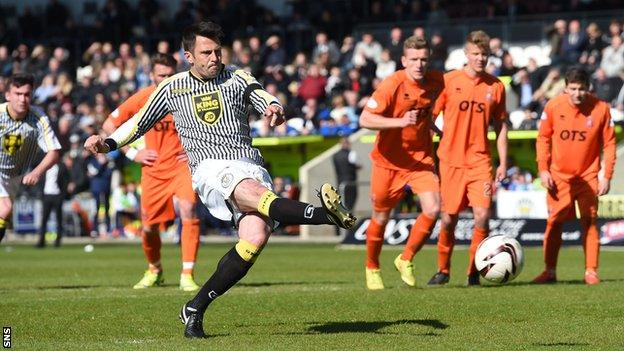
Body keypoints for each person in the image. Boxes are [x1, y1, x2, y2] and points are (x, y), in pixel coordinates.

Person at [84, 21, 355, 338]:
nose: (214, 57)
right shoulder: (172, 88)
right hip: (209, 168)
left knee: (254, 238)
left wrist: (275, 107)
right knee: (253, 194)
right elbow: (138, 123)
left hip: (249, 164)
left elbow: (261, 95)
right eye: (206, 52)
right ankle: (326, 215)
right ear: (189, 56)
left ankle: (195, 307)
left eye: (217, 51)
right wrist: (108, 144)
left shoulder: (237, 77)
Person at [102, 53, 202, 292]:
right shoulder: (144, 97)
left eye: (170, 75)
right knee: (148, 226)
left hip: (182, 167)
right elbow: (108, 125)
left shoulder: (189, 93)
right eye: (161, 75)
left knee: (188, 208)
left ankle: (187, 273)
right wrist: (131, 153)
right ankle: (154, 269)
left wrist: (196, 150)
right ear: (151, 75)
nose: (167, 79)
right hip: (153, 170)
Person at [359, 35, 444, 290]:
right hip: (388, 162)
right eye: (414, 59)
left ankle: (405, 258)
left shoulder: (436, 80)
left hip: (420, 160)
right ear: (404, 60)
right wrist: (399, 122)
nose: (419, 64)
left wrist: (431, 125)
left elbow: (424, 109)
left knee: (432, 209)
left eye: (424, 59)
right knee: (381, 217)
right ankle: (372, 266)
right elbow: (365, 119)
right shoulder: (392, 84)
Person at [428, 31, 508, 286]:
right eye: (476, 54)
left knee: (482, 216)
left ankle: (474, 271)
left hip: (480, 162)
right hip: (451, 161)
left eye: (485, 54)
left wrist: (503, 162)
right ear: (466, 54)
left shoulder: (496, 86)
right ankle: (443, 269)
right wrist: (438, 134)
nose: (481, 58)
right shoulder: (449, 81)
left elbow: (501, 126)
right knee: (448, 219)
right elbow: (429, 115)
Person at [533, 67, 616, 285]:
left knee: (589, 222)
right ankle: (549, 271)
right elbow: (542, 138)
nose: (577, 93)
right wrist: (543, 169)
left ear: (588, 88)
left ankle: (591, 271)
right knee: (554, 222)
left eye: (581, 88)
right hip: (558, 176)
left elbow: (609, 144)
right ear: (565, 88)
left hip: (588, 177)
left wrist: (606, 175)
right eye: (573, 88)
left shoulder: (601, 108)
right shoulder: (553, 106)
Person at [0, 73, 61, 243]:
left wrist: (37, 172)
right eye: (18, 94)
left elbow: (54, 151)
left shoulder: (38, 118)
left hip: (13, 178)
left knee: (5, 215)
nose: (22, 99)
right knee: (5, 209)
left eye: (26, 94)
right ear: (8, 95)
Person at [36, 159, 69, 247]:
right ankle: (41, 241)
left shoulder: (61, 166)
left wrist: (62, 195)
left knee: (59, 219)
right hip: (46, 195)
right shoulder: (45, 165)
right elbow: (40, 180)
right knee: (44, 219)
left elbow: (66, 180)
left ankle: (58, 241)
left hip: (57, 195)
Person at [332, 137, 360, 211]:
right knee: (350, 202)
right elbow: (354, 164)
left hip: (340, 182)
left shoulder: (335, 155)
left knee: (342, 202)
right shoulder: (351, 153)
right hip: (350, 183)